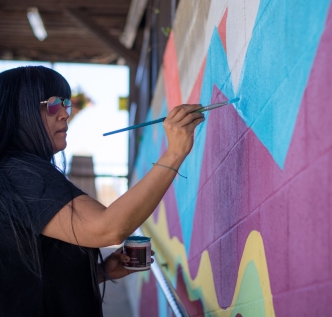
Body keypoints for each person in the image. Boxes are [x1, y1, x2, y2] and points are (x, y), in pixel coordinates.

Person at [0, 66, 204, 316]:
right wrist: (175, 152)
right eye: (53, 104)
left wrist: (101, 272)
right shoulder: (18, 173)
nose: (65, 114)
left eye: (66, 104)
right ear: (20, 111)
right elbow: (109, 228)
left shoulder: (14, 173)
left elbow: (25, 278)